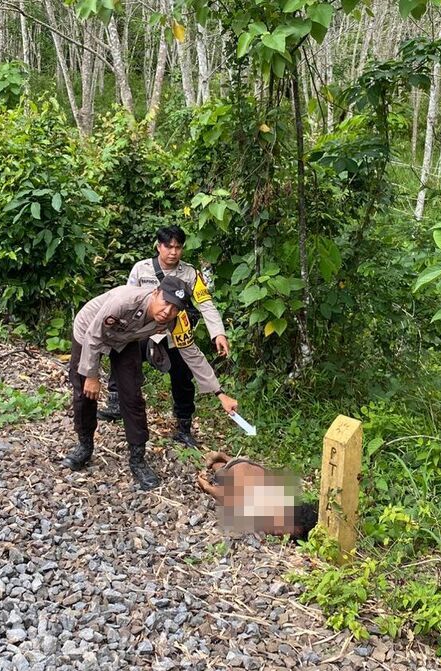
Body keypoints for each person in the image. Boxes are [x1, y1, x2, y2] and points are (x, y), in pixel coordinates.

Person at [61, 276, 239, 490]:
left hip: (125, 339)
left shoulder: (173, 320)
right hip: (89, 332)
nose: (167, 311)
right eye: (165, 302)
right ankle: (84, 446)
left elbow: (191, 353)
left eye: (175, 308)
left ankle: (137, 458)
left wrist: (220, 393)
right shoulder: (124, 302)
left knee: (133, 395)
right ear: (155, 293)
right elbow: (94, 335)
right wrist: (91, 376)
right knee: (84, 391)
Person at [100, 226, 230, 448]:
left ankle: (183, 426)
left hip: (173, 333)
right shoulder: (141, 269)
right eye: (168, 247)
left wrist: (218, 333)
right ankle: (115, 402)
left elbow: (205, 304)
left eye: (178, 247)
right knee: (122, 354)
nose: (173, 252)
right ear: (158, 246)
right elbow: (128, 297)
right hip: (143, 331)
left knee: (183, 376)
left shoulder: (190, 274)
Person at [197, 452, 318, 542]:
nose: (279, 532)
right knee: (221, 473)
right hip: (237, 471)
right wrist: (207, 487)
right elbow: (232, 498)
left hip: (249, 467)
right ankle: (224, 459)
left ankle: (226, 458)